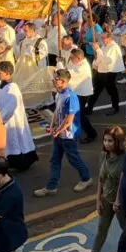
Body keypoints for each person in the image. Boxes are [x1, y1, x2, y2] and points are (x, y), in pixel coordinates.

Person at [71, 126, 126, 252]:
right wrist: (98, 200)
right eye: (105, 140)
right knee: (101, 230)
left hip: (120, 202)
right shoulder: (104, 154)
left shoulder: (125, 158)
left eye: (111, 141)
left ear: (118, 142)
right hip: (106, 198)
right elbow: (101, 179)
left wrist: (118, 201)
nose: (107, 143)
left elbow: (123, 181)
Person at [34, 69, 92, 197]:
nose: (53, 81)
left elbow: (69, 119)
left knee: (74, 158)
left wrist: (57, 131)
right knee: (55, 160)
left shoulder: (70, 97)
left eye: (55, 79)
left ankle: (86, 178)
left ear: (63, 81)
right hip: (59, 133)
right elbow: (57, 113)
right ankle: (51, 186)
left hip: (68, 135)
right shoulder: (59, 94)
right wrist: (53, 126)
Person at [0, 61, 38, 172]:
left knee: (16, 141)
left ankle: (21, 164)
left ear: (7, 74)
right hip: (2, 120)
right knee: (9, 143)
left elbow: (9, 107)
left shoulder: (12, 88)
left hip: (12, 121)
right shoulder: (0, 86)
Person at [65, 48, 97, 144]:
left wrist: (60, 67)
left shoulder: (83, 67)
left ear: (78, 58)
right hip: (76, 91)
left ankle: (92, 133)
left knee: (81, 115)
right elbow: (69, 68)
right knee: (76, 114)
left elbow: (70, 76)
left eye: (72, 58)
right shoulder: (75, 62)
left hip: (82, 93)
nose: (70, 59)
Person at [91, 33, 124, 116]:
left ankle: (115, 107)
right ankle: (89, 108)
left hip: (109, 72)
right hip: (101, 71)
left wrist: (98, 49)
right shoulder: (105, 45)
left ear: (109, 38)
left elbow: (108, 61)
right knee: (96, 90)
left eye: (103, 38)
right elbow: (99, 57)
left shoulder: (113, 47)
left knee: (111, 90)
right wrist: (95, 64)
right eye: (101, 38)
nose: (102, 40)